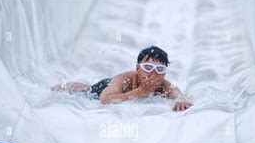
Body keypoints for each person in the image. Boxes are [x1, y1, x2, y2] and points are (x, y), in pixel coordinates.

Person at [51, 46, 193, 112]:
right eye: (148, 68)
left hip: (119, 90)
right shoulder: (124, 79)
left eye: (160, 70)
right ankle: (67, 85)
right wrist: (140, 91)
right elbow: (105, 100)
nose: (153, 74)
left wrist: (181, 101)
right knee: (85, 90)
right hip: (106, 87)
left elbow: (178, 94)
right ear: (138, 68)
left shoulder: (163, 84)